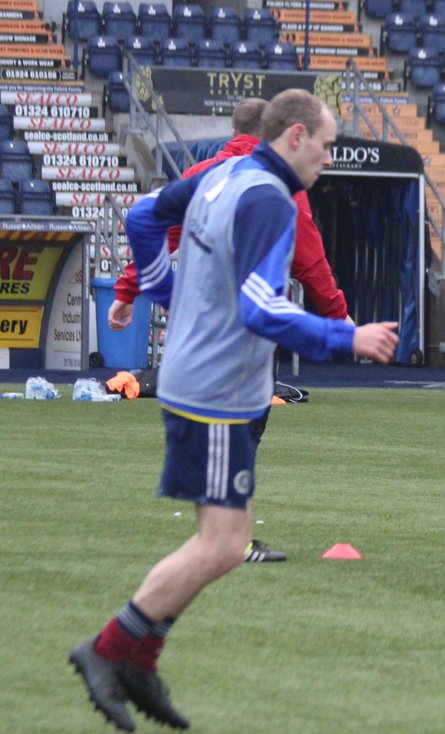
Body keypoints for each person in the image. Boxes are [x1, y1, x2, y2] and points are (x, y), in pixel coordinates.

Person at [69, 89, 399, 733]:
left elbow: (141, 217)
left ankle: (140, 657)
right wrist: (345, 337)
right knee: (222, 545)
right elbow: (261, 308)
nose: (330, 160)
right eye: (328, 146)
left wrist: (171, 290)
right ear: (297, 137)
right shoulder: (269, 200)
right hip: (217, 388)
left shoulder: (224, 172)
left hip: (207, 379)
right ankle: (109, 650)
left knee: (220, 543)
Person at [108, 96, 353, 564]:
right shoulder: (276, 189)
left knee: (224, 439)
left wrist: (137, 289)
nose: (325, 158)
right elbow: (309, 259)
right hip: (239, 343)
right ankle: (229, 540)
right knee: (243, 431)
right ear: (281, 134)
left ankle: (223, 536)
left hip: (193, 347)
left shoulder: (208, 172)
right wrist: (340, 322)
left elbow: (152, 224)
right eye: (323, 146)